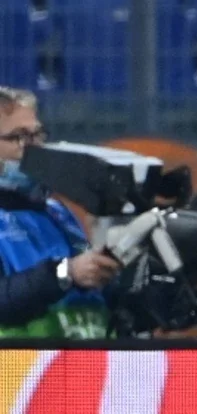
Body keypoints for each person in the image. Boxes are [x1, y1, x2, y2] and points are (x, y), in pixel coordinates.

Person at [0, 87, 120, 339]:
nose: (35, 148)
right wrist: (66, 274)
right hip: (19, 374)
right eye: (20, 137)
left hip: (92, 369)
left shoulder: (59, 214)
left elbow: (102, 294)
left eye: (38, 135)